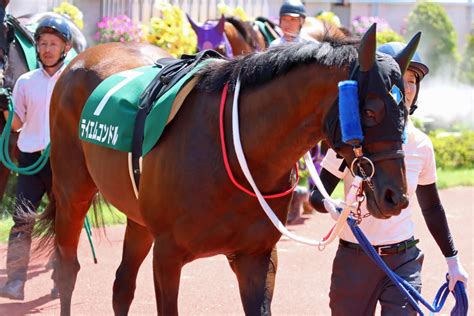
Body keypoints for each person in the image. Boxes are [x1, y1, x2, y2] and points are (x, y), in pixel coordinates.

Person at [309, 42, 469, 315]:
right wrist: (331, 206)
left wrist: (453, 262)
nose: (407, 88)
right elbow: (316, 194)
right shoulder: (350, 139)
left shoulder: (421, 145)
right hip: (354, 259)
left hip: (403, 259)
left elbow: (432, 208)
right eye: (399, 80)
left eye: (412, 81)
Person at [0, 17, 72, 300]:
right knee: (22, 221)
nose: (47, 49)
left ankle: (61, 278)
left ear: (65, 47)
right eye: (42, 43)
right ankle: (15, 282)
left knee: (63, 222)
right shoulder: (25, 81)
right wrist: (6, 109)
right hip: (31, 159)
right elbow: (17, 125)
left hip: (63, 162)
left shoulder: (72, 79)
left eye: (53, 44)